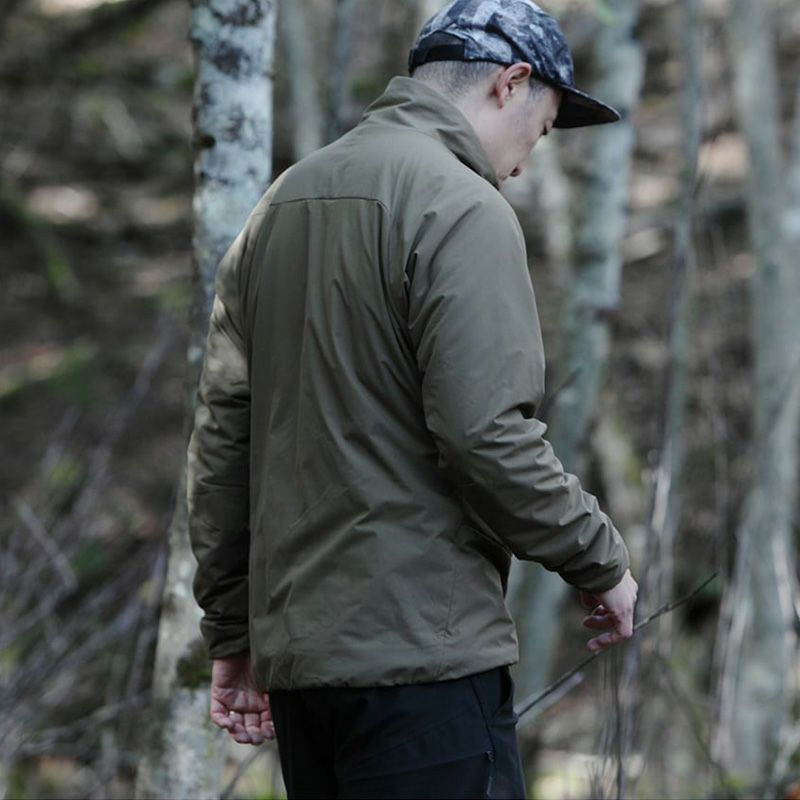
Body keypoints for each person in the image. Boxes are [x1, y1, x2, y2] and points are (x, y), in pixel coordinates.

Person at [187, 0, 638, 797]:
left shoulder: (280, 204)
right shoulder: (461, 206)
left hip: (304, 679)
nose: (523, 165)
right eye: (539, 132)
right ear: (510, 82)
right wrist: (599, 559)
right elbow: (486, 436)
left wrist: (232, 628)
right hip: (424, 667)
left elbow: (225, 441)